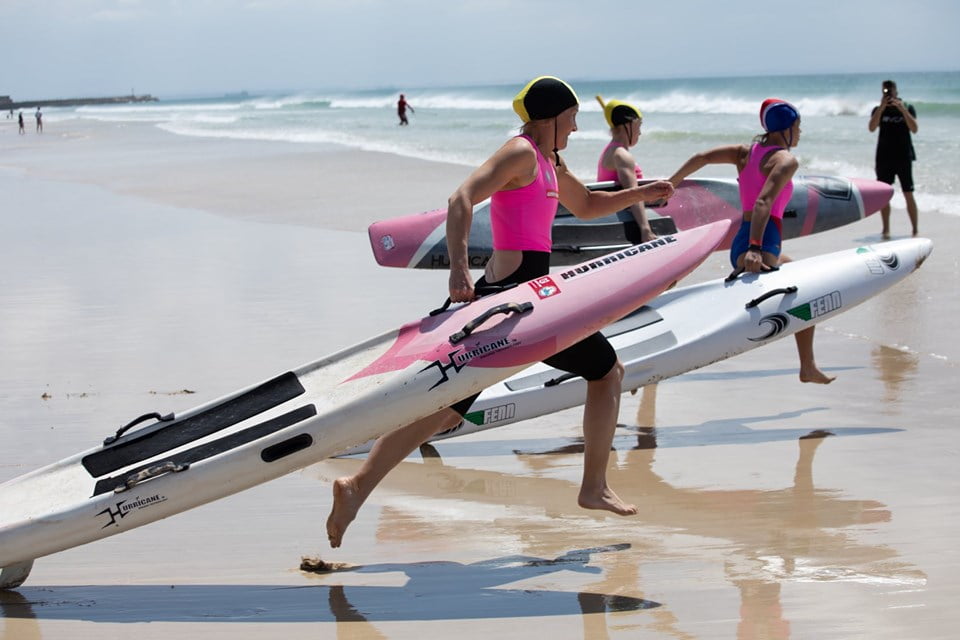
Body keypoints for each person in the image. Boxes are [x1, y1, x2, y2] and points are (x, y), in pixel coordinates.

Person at [326, 76, 676, 548]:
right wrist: (456, 271)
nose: (574, 131)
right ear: (550, 118)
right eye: (571, 121)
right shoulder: (521, 153)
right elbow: (461, 198)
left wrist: (642, 193)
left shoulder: (549, 159)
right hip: (514, 299)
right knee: (607, 370)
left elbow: (589, 204)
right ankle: (593, 487)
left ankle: (355, 488)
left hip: (526, 297)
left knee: (445, 412)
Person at [667, 98, 834, 385]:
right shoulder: (785, 161)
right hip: (763, 241)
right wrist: (756, 248)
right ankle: (806, 365)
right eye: (798, 126)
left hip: (740, 242)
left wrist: (670, 185)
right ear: (786, 129)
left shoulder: (746, 153)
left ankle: (808, 366)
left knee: (798, 276)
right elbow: (763, 203)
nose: (801, 132)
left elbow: (701, 157)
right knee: (806, 291)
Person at [595, 95, 657, 243]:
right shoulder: (621, 155)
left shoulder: (611, 150)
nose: (640, 132)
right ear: (627, 125)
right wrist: (645, 230)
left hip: (613, 215)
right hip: (624, 221)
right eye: (639, 125)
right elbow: (633, 193)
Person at [868, 80, 918, 238]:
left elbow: (915, 129)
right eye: (886, 91)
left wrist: (902, 109)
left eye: (891, 91)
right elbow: (871, 128)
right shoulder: (878, 109)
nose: (889, 94)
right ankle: (886, 229)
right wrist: (882, 107)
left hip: (903, 156)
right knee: (884, 194)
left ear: (897, 91)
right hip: (884, 157)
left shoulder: (907, 107)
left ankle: (915, 230)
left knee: (908, 192)